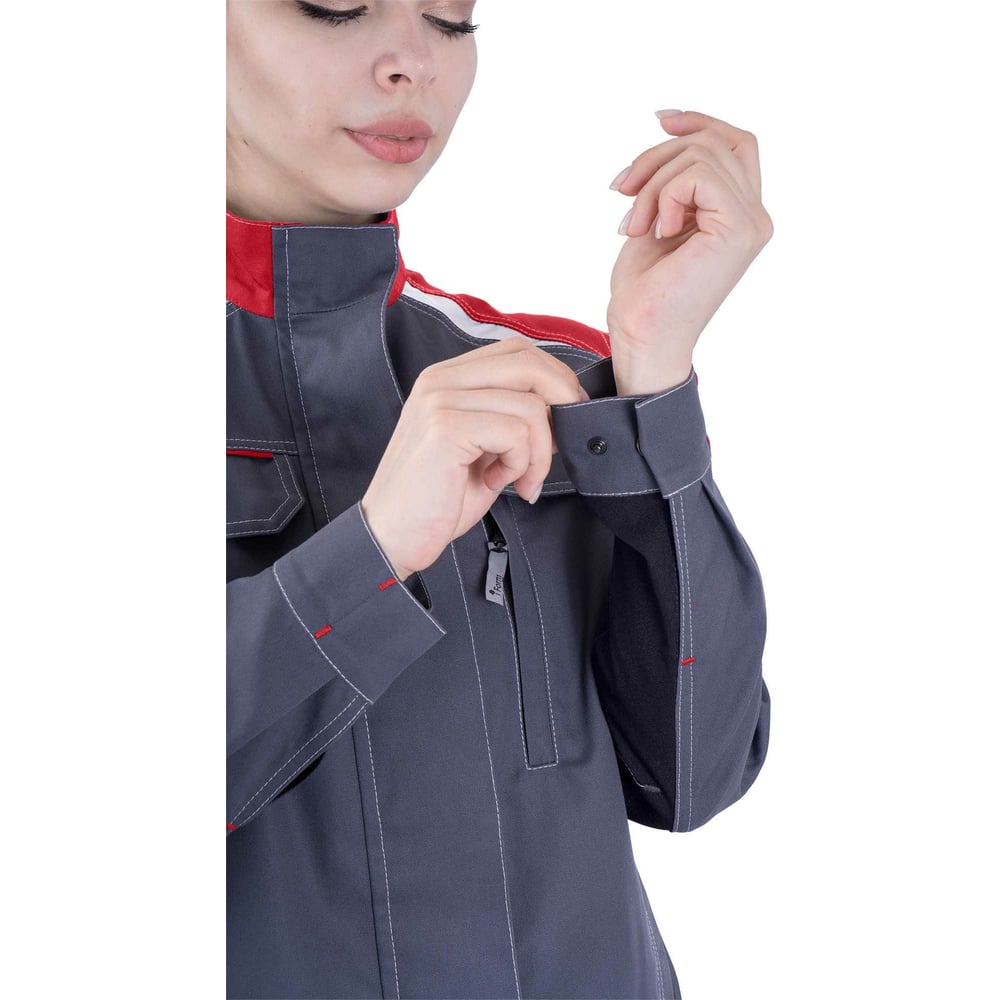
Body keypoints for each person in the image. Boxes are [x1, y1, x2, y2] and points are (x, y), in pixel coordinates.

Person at [226, 2, 773, 997]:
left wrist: (654, 377)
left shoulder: (551, 376)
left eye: (451, 17)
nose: (412, 63)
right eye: (335, 5)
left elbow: (693, 775)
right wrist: (373, 553)